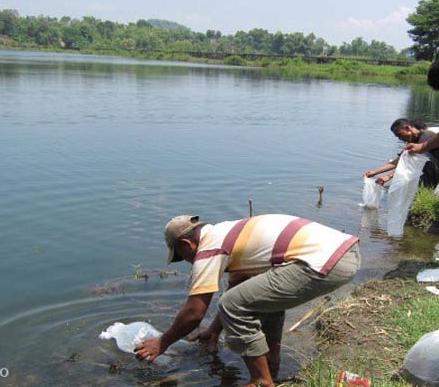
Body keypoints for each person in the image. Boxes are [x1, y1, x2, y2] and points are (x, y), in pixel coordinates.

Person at [135, 214, 360, 387]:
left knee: (232, 303)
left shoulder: (210, 249)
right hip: (344, 252)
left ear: (186, 244)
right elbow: (240, 289)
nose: (186, 261)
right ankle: (271, 366)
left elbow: (195, 312)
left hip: (325, 261)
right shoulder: (227, 234)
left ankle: (261, 381)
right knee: (260, 301)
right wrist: (214, 331)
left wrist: (162, 342)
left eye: (180, 256)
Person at [364, 119, 439, 188]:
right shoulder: (413, 140)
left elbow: (408, 163)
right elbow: (398, 161)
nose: (400, 139)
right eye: (398, 137)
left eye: (400, 135)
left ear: (407, 128)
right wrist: (375, 172)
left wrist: (389, 176)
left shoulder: (426, 137)